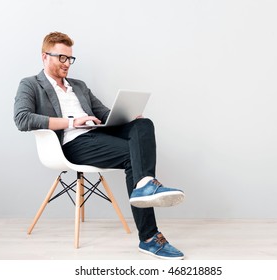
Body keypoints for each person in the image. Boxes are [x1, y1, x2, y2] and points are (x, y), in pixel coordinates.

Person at [14, 31, 185, 260]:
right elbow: (22, 119)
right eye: (62, 58)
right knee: (133, 157)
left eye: (70, 59)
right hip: (72, 143)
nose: (67, 64)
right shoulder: (30, 84)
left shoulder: (79, 86)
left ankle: (145, 186)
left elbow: (104, 113)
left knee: (143, 124)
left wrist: (127, 116)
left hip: (96, 134)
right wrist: (74, 121)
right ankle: (149, 236)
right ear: (45, 56)